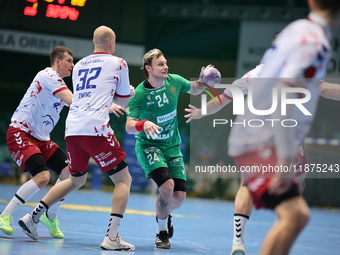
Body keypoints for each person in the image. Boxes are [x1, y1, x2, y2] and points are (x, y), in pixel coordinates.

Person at [185, 40, 340, 255]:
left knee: (247, 185)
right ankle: (282, 228)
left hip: (256, 135)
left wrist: (201, 112)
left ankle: (238, 241)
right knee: (295, 190)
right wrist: (201, 111)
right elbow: (326, 89)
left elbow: (223, 100)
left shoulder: (255, 74)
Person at [227, 1, 340, 254]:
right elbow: (285, 92)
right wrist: (286, 156)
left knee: (296, 213)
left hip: (254, 135)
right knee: (294, 214)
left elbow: (320, 87)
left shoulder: (298, 30)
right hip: (269, 139)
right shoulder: (315, 42)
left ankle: (238, 242)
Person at [17, 25, 135, 251]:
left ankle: (32, 217)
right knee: (123, 180)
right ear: (111, 43)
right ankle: (111, 237)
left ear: (94, 42)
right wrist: (130, 92)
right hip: (95, 129)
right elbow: (121, 103)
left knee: (75, 179)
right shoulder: (118, 63)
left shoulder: (79, 65)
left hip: (72, 129)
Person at [125, 48, 212, 249]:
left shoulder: (174, 81)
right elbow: (129, 126)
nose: (166, 67)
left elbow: (196, 88)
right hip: (150, 146)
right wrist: (143, 124)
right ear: (148, 68)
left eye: (165, 63)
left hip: (172, 146)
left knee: (179, 197)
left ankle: (162, 214)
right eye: (161, 64)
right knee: (167, 186)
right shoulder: (139, 94)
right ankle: (161, 232)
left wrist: (204, 80)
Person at [0, 46, 74, 239]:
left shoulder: (61, 85)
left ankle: (51, 216)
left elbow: (82, 105)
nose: (72, 65)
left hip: (41, 139)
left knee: (71, 174)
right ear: (58, 61)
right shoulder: (48, 75)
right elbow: (75, 102)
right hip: (21, 132)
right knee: (42, 177)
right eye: (69, 61)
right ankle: (4, 216)